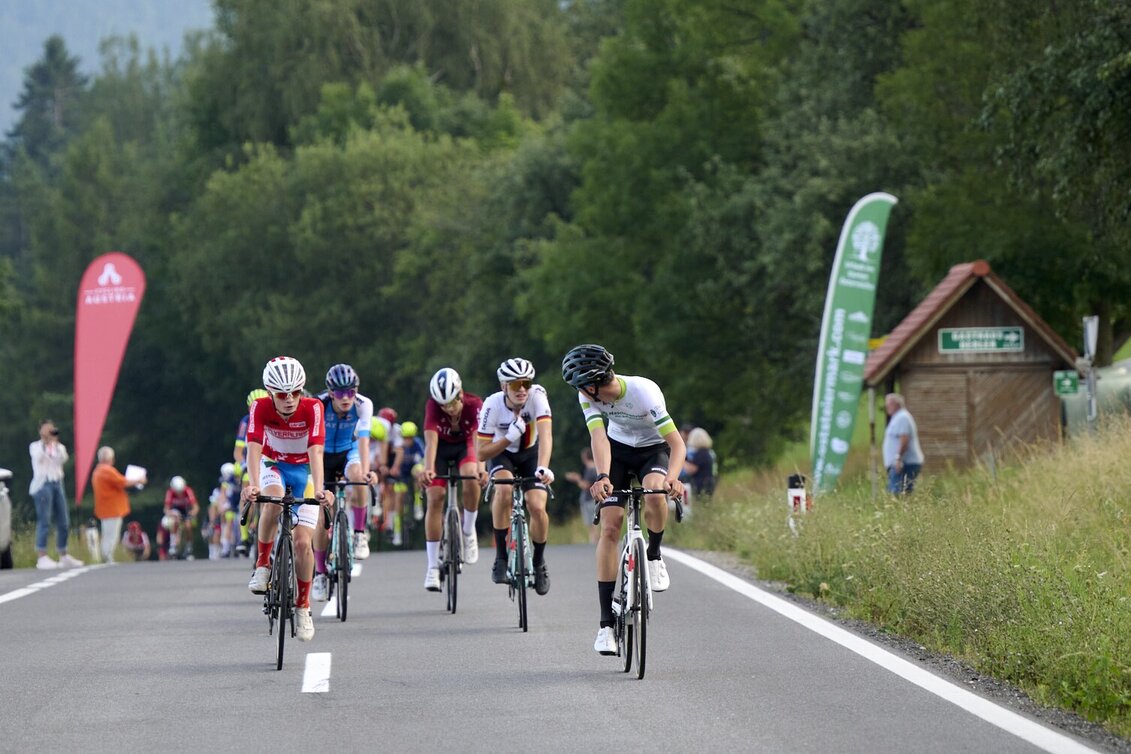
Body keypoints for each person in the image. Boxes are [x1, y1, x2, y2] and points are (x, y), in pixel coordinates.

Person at [561, 344, 685, 656]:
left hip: (651, 451)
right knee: (610, 525)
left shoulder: (644, 393)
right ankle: (605, 626)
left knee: (656, 492)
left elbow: (677, 445)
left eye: (581, 387)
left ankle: (654, 556)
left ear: (595, 382)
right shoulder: (586, 396)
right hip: (616, 453)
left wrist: (673, 476)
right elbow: (598, 437)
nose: (580, 393)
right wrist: (602, 476)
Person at [242, 356, 333, 643]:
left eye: (296, 392)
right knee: (272, 500)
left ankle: (303, 607)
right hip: (273, 465)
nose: (290, 399)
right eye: (282, 394)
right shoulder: (260, 407)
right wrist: (253, 486)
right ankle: (263, 564)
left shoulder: (313, 407)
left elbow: (317, 453)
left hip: (304, 470)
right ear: (271, 393)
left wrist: (320, 489)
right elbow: (254, 449)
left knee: (304, 542)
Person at [478, 358, 555, 594]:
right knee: (503, 489)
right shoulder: (492, 405)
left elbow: (546, 435)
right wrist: (508, 438)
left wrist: (543, 467)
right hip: (504, 454)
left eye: (526, 383)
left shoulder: (537, 397)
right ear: (504, 387)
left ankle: (539, 562)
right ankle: (501, 558)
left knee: (537, 507)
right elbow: (481, 452)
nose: (522, 389)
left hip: (531, 454)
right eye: (515, 384)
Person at [311, 363, 378, 602]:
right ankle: (319, 573)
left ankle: (359, 533)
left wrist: (368, 472)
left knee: (358, 477)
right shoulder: (318, 405)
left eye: (351, 391)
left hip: (348, 452)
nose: (346, 397)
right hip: (322, 456)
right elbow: (313, 447)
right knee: (322, 514)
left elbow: (363, 440)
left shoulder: (363, 405)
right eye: (340, 393)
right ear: (330, 392)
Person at [418, 367, 486, 592]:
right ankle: (432, 567)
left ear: (460, 394)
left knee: (470, 475)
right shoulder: (433, 407)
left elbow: (479, 443)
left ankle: (468, 531)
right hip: (441, 450)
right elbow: (431, 443)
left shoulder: (475, 404)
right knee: (435, 496)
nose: (448, 409)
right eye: (442, 405)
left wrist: (481, 469)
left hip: (465, 446)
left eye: (451, 403)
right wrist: (428, 469)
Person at [29, 419, 82, 569]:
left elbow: (62, 459)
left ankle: (63, 553)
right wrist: (45, 444)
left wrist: (53, 443)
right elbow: (38, 458)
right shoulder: (35, 446)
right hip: (42, 484)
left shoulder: (59, 447)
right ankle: (42, 556)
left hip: (57, 483)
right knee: (45, 520)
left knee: (63, 520)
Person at [92, 446, 146, 563]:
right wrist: (139, 480)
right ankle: (107, 556)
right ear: (111, 459)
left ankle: (106, 556)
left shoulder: (98, 471)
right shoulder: (107, 471)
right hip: (112, 508)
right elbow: (123, 481)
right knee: (112, 535)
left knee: (108, 533)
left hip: (106, 508)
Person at [389, 420, 423, 545]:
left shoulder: (418, 444)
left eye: (410, 438)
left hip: (413, 470)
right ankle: (397, 533)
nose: (407, 440)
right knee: (398, 500)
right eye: (405, 438)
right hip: (402, 475)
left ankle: (417, 504)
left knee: (419, 472)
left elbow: (421, 461)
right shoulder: (399, 446)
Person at [883, 393, 924, 494]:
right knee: (901, 493)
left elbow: (904, 439)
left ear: (896, 404)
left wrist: (898, 458)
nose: (887, 407)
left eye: (889, 404)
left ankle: (898, 510)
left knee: (897, 493)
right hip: (902, 463)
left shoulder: (902, 417)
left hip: (904, 463)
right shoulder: (898, 417)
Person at [564, 447, 600, 544]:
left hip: (589, 500)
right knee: (593, 524)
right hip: (592, 500)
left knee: (592, 524)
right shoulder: (595, 468)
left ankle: (594, 542)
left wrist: (577, 478)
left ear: (585, 457)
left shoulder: (590, 469)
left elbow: (585, 485)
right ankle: (594, 541)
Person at [163, 474, 200, 559]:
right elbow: (166, 509)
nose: (179, 494)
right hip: (175, 512)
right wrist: (172, 513)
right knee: (175, 522)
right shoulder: (170, 492)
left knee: (188, 526)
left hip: (186, 511)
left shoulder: (188, 491)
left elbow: (196, 507)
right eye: (177, 492)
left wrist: (192, 513)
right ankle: (173, 546)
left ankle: (189, 547)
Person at [684, 427, 717, 500]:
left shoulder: (701, 453)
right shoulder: (706, 452)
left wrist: (682, 460)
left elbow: (691, 469)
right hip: (708, 482)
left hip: (702, 484)